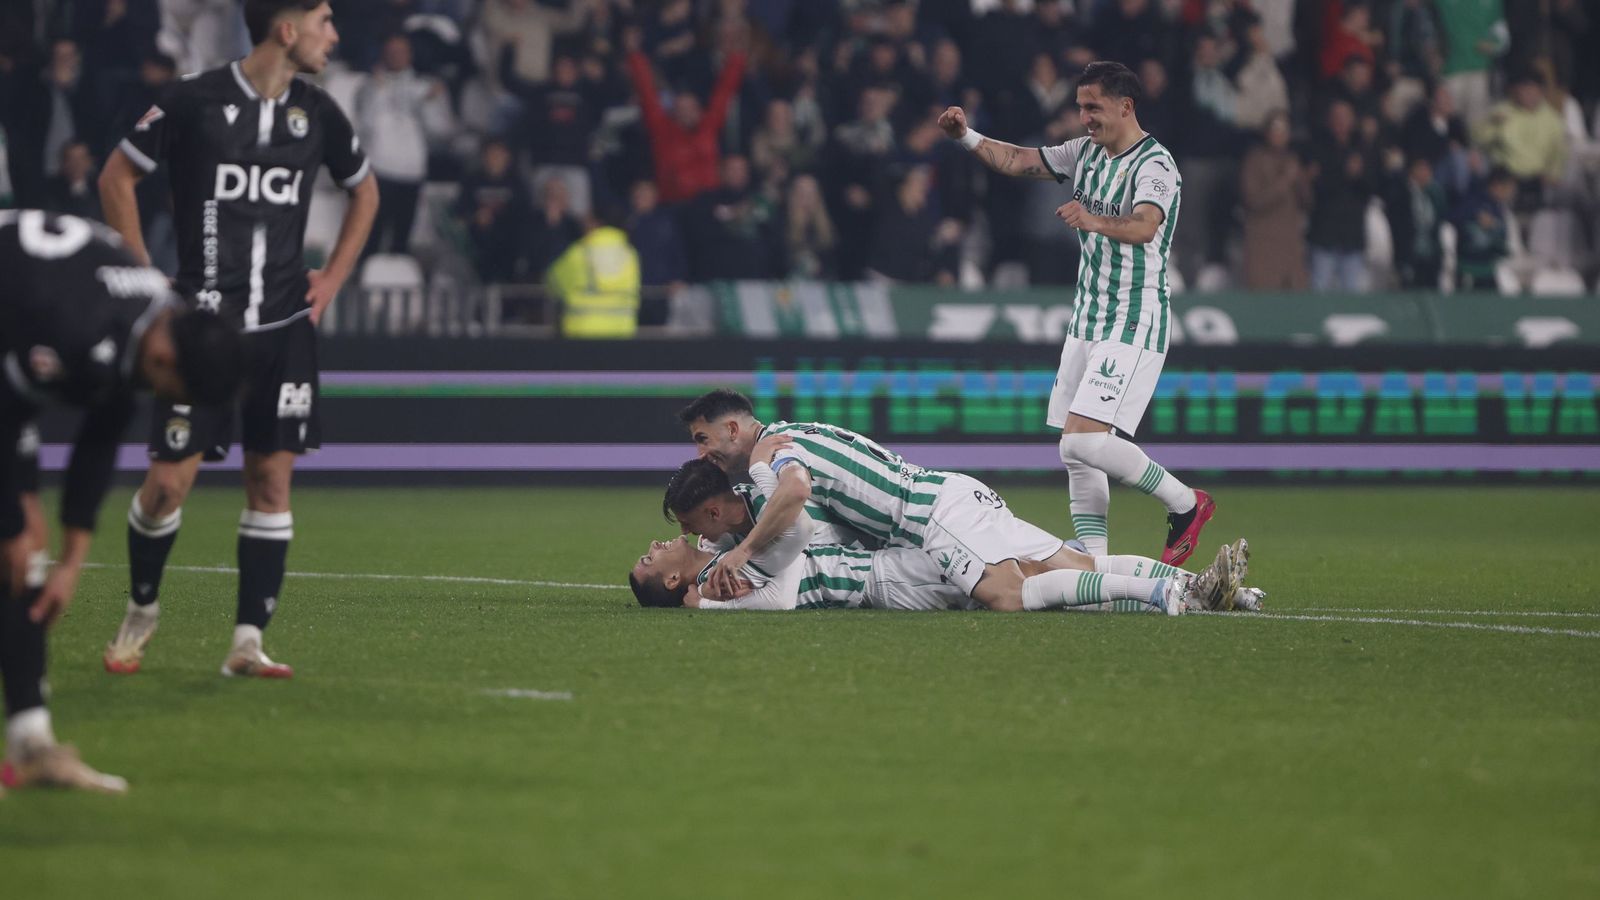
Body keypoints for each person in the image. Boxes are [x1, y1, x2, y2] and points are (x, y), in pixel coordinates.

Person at [96, 0, 380, 678]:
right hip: (202, 332)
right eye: (324, 21)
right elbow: (116, 177)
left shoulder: (318, 112)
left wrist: (333, 278)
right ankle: (142, 606)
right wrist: (145, 279)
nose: (333, 35)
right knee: (167, 487)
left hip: (283, 329)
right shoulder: (192, 100)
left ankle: (247, 642)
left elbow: (365, 191)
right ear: (287, 29)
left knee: (271, 481)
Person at [0, 210, 245, 793]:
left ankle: (32, 745)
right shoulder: (82, 328)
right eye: (172, 390)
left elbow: (100, 435)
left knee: (24, 565)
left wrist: (71, 560)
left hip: (14, 344)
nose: (162, 396)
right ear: (165, 359)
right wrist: (14, 519)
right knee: (14, 541)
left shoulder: (153, 318)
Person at [936, 61, 1214, 566]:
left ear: (1125, 106)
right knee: (1072, 449)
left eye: (1093, 107)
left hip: (1134, 316)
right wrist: (966, 137)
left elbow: (1144, 227)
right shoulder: (1085, 152)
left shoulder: (1154, 164)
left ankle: (1185, 503)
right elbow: (1019, 160)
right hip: (1087, 317)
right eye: (1080, 106)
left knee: (1084, 442)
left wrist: (1092, 219)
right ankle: (1094, 565)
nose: (1084, 117)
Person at [677, 390, 1249, 615]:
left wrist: (740, 552)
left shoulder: (769, 453)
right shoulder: (793, 432)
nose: (702, 452)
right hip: (952, 494)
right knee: (1073, 564)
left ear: (733, 429)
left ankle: (1164, 593)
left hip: (932, 517)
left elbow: (796, 493)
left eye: (704, 438)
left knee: (1008, 595)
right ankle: (1217, 593)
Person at [631, 459, 1254, 615]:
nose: (661, 542)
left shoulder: (729, 550)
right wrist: (702, 600)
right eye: (650, 557)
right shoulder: (723, 582)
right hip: (891, 572)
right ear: (674, 579)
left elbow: (795, 529)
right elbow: (779, 584)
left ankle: (1187, 590)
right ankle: (1196, 592)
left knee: (1035, 579)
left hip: (906, 545)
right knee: (1044, 573)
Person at [545, 207, 641, 339]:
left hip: (583, 331)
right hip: (621, 332)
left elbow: (552, 283)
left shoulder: (579, 253)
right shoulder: (630, 254)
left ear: (595, 223)